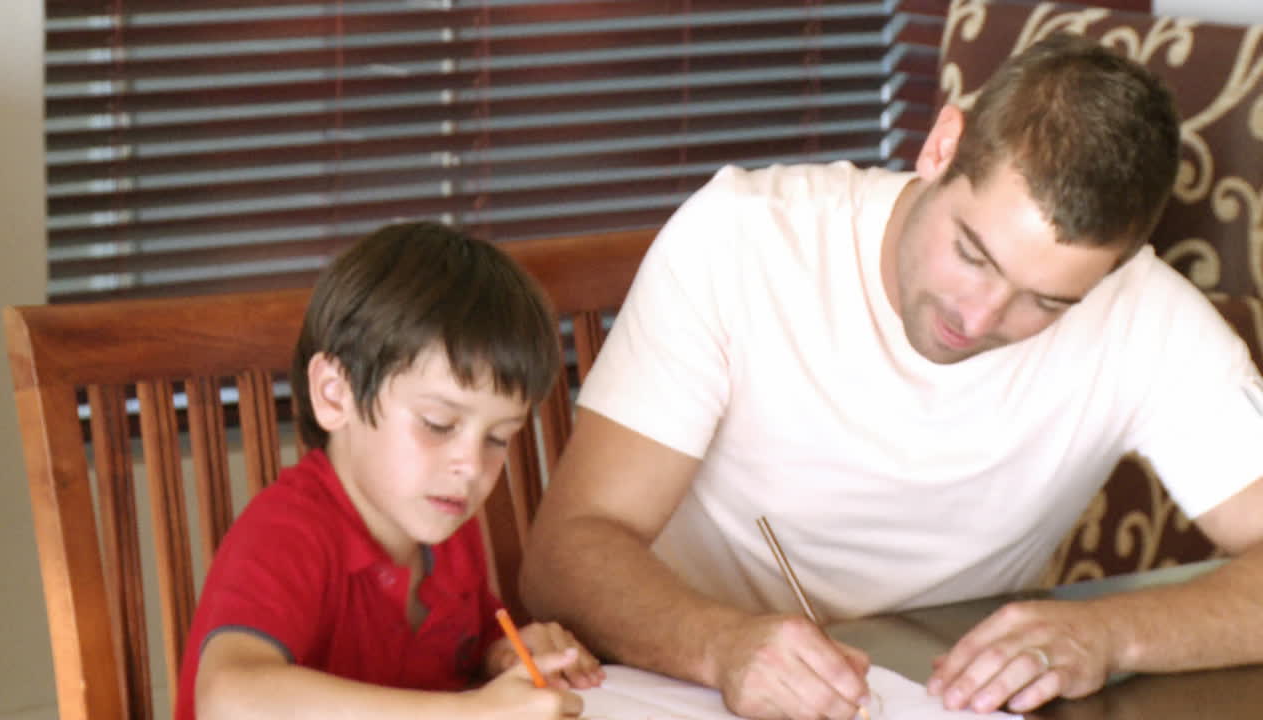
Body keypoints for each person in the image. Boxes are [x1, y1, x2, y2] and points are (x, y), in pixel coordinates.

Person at [520, 31, 1263, 720]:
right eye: (973, 254)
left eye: (1046, 302)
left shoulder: (1145, 316)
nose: (977, 317)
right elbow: (566, 552)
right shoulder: (742, 240)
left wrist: (1113, 634)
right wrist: (720, 645)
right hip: (686, 684)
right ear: (943, 147)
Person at [175, 221, 605, 720]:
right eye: (439, 423)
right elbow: (228, 698)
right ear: (336, 395)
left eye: (497, 437)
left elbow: (463, 644)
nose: (470, 465)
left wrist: (502, 651)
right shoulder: (288, 534)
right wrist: (470, 715)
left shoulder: (442, 526)